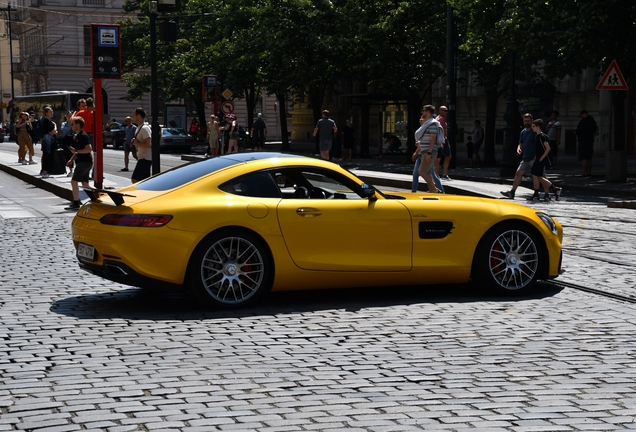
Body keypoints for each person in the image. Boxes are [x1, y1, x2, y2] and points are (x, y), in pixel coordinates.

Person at [501, 113, 536, 199]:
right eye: (525, 121)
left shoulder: (535, 131)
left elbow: (538, 144)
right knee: (518, 173)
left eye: (528, 121)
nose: (526, 122)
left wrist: (536, 156)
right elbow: (521, 142)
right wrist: (519, 148)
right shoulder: (523, 132)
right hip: (525, 158)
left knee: (539, 177)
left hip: (534, 158)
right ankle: (512, 192)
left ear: (532, 121)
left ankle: (549, 190)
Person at [526, 119, 561, 201]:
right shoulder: (537, 136)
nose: (532, 128)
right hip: (538, 158)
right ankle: (537, 193)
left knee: (538, 176)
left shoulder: (542, 136)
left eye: (534, 126)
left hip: (541, 159)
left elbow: (548, 148)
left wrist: (541, 158)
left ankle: (555, 189)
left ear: (538, 127)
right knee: (535, 175)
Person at [413, 105, 444, 193]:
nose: (422, 112)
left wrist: (429, 153)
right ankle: (432, 190)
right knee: (429, 173)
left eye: (424, 111)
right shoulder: (427, 124)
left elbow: (433, 138)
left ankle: (435, 189)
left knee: (421, 171)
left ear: (428, 112)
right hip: (425, 151)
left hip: (429, 151)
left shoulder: (432, 123)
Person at [64, 116, 92, 211]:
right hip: (85, 161)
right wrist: (71, 159)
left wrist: (76, 151)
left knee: (74, 181)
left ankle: (75, 202)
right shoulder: (77, 136)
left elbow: (88, 149)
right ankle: (98, 199)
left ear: (78, 125)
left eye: (73, 124)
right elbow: (78, 151)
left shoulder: (83, 136)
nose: (71, 126)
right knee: (85, 184)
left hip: (84, 162)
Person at [130, 107, 152, 183]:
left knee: (135, 179)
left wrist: (137, 143)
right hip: (142, 157)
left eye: (134, 115)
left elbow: (148, 144)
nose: (133, 118)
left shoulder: (145, 128)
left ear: (138, 116)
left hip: (145, 158)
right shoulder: (139, 128)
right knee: (144, 181)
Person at [576, 110, 597, 177]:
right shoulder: (592, 121)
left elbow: (578, 131)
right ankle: (589, 172)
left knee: (584, 158)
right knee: (589, 158)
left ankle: (585, 172)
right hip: (590, 140)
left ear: (583, 114)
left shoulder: (582, 122)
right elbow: (595, 129)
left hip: (583, 140)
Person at [39, 106, 57, 178]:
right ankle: (45, 172)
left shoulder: (48, 121)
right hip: (48, 141)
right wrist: (55, 125)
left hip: (48, 141)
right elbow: (53, 132)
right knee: (47, 156)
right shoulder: (46, 122)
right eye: (50, 112)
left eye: (52, 111)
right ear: (46, 113)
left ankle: (45, 171)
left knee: (47, 155)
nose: (52, 113)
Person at [435, 105, 451, 180]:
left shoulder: (437, 118)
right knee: (448, 156)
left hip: (438, 141)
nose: (446, 112)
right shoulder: (441, 119)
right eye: (445, 111)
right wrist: (442, 142)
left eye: (447, 111)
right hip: (443, 140)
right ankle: (444, 174)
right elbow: (441, 131)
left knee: (438, 158)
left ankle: (436, 175)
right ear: (441, 111)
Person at [60, 111, 75, 177]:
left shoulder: (75, 123)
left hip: (74, 139)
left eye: (71, 115)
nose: (69, 117)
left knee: (76, 154)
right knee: (68, 155)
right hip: (67, 139)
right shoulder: (64, 124)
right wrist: (70, 124)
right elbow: (64, 130)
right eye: (68, 115)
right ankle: (71, 170)